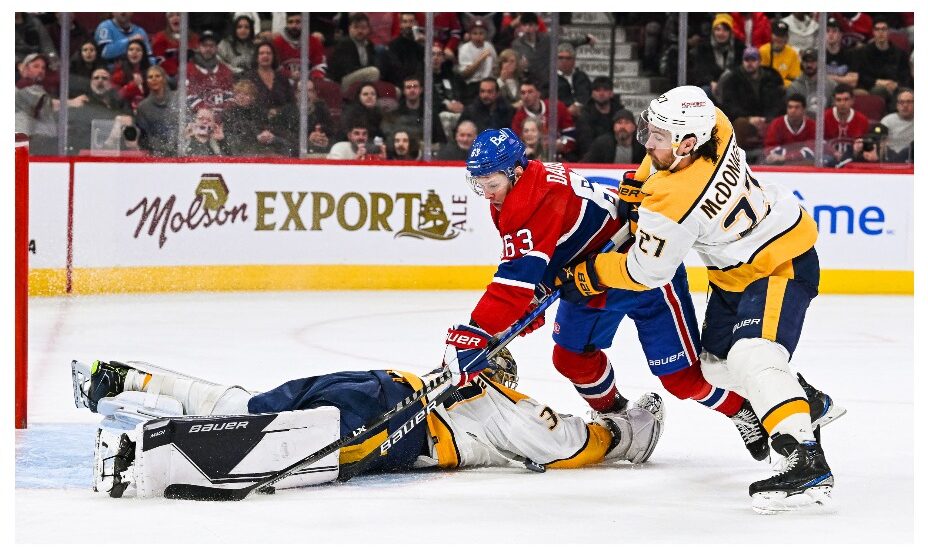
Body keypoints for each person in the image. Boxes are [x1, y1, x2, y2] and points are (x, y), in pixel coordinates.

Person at [556, 85, 840, 513]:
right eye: (650, 132)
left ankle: (805, 458)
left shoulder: (672, 201)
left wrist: (592, 272)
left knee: (752, 354)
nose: (648, 144)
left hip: (779, 261)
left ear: (687, 144)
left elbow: (646, 272)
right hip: (734, 273)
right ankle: (807, 400)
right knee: (714, 366)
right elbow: (662, 155)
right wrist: (640, 181)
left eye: (658, 137)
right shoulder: (717, 126)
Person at [453, 127, 797, 470]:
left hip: (643, 275)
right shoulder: (516, 193)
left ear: (516, 171)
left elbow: (513, 284)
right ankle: (618, 416)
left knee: (683, 380)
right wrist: (528, 302)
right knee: (571, 358)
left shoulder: (536, 199)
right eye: (479, 185)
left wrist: (476, 332)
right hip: (587, 280)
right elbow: (541, 259)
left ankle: (741, 409)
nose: (486, 194)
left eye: (492, 184)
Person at [73, 353, 666, 498]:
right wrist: (624, 433)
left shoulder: (470, 382)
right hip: (401, 422)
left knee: (253, 408)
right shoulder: (511, 409)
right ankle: (143, 457)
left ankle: (130, 379)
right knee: (286, 442)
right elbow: (568, 444)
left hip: (378, 383)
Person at [719, 46, 785, 161]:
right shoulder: (732, 79)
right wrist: (749, 118)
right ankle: (734, 160)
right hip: (744, 120)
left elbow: (778, 104)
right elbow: (729, 105)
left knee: (778, 123)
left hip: (767, 120)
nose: (750, 63)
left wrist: (766, 119)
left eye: (753, 60)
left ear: (759, 61)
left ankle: (775, 158)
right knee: (740, 124)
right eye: (747, 60)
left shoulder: (771, 78)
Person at [511, 81, 577, 161]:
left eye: (530, 92)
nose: (526, 96)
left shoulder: (557, 107)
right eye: (523, 93)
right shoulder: (518, 117)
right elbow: (515, 144)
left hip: (560, 156)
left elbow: (570, 137)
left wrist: (561, 144)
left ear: (538, 93)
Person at [855, 16, 911, 106]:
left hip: (896, 87)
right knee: (879, 90)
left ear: (888, 31)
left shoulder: (900, 53)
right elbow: (862, 77)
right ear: (873, 32)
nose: (880, 32)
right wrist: (879, 82)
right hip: (874, 87)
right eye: (877, 29)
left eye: (884, 29)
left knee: (907, 93)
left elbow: (906, 76)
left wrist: (896, 84)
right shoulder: (864, 52)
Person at [688, 13, 743, 101]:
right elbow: (700, 71)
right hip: (711, 85)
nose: (721, 33)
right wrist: (711, 82)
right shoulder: (703, 47)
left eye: (725, 30)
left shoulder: (739, 47)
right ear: (713, 31)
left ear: (730, 32)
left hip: (733, 85)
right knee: (704, 92)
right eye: (718, 29)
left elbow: (740, 70)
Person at [278, 79, 338, 156]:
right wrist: (307, 139)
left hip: (320, 151)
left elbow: (333, 133)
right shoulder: (286, 111)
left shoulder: (321, 109)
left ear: (315, 94)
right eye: (302, 91)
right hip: (295, 153)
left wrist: (326, 140)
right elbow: (282, 135)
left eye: (310, 91)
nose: (306, 94)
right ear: (296, 94)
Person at [382, 74, 447, 144]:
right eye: (408, 87)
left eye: (415, 87)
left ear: (421, 90)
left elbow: (440, 139)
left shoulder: (430, 113)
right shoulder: (395, 112)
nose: (412, 90)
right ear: (404, 91)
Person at [186, 30, 235, 114]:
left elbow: (231, 96)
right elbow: (188, 97)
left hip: (223, 116)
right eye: (205, 45)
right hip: (197, 117)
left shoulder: (225, 71)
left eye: (211, 45)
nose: (208, 48)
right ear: (198, 47)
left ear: (216, 48)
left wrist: (220, 112)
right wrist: (208, 113)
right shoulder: (188, 69)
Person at [329, 12, 381, 90]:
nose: (360, 31)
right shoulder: (344, 43)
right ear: (349, 28)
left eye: (363, 28)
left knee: (395, 90)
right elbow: (348, 69)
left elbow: (374, 63)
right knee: (373, 72)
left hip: (362, 77)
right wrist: (368, 68)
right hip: (342, 81)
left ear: (368, 30)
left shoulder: (369, 44)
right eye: (356, 27)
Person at [136, 65, 179, 157]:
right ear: (147, 82)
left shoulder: (178, 98)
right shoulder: (143, 107)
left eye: (157, 76)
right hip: (156, 153)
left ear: (164, 79)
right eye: (150, 77)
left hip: (179, 150)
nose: (154, 79)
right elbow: (145, 136)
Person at [270, 12, 327, 82]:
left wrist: (313, 77)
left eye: (298, 22)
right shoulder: (277, 42)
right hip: (283, 82)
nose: (294, 25)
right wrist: (289, 74)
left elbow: (320, 64)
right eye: (290, 22)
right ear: (286, 24)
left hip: (309, 83)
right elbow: (274, 65)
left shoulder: (314, 41)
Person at [763, 93, 816, 165]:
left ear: (804, 109)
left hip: (804, 164)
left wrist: (787, 157)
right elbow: (770, 147)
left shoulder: (812, 125)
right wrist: (793, 156)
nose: (793, 110)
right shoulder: (776, 124)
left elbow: (812, 149)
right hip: (780, 164)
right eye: (790, 107)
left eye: (797, 107)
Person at [824, 84, 870, 164]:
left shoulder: (862, 120)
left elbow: (865, 147)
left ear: (852, 100)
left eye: (846, 99)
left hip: (853, 160)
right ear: (834, 101)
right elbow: (819, 144)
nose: (842, 103)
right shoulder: (824, 117)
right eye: (838, 100)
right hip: (828, 160)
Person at [456, 18, 496, 104]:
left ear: (486, 34)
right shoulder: (464, 48)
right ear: (470, 35)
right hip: (473, 85)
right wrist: (480, 59)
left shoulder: (489, 46)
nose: (478, 36)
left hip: (490, 82)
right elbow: (465, 74)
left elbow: (495, 67)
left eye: (481, 33)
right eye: (475, 33)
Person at [786, 48, 835, 118]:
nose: (809, 65)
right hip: (803, 123)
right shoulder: (794, 87)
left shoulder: (831, 85)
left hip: (826, 122)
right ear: (802, 63)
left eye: (813, 61)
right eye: (806, 61)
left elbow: (835, 111)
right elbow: (793, 113)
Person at [150, 12, 199, 78]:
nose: (175, 18)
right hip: (169, 76)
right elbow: (158, 60)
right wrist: (175, 71)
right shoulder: (160, 37)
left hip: (192, 75)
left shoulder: (194, 38)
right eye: (171, 16)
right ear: (167, 20)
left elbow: (198, 58)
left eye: (178, 15)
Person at [110, 39, 151, 112]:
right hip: (124, 110)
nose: (134, 52)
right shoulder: (119, 71)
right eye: (131, 49)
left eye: (138, 50)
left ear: (143, 54)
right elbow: (115, 97)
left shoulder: (150, 71)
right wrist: (132, 86)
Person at [580, 76, 625, 142]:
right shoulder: (585, 114)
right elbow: (585, 141)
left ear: (611, 94)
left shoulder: (620, 113)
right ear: (592, 94)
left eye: (605, 90)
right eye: (597, 90)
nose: (601, 94)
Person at [759, 20, 800, 87]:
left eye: (782, 36)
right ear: (771, 35)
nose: (779, 39)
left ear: (787, 38)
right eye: (777, 35)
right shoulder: (763, 51)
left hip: (785, 88)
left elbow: (795, 77)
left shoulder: (792, 53)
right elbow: (760, 76)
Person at [555, 43, 591, 118]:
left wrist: (578, 105)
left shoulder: (581, 76)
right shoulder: (550, 78)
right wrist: (566, 110)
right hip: (560, 116)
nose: (564, 61)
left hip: (582, 114)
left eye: (568, 58)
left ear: (574, 60)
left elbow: (587, 94)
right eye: (560, 58)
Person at [824, 17, 860, 89]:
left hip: (845, 91)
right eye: (827, 31)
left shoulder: (851, 54)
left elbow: (853, 83)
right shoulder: (819, 55)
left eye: (834, 31)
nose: (830, 34)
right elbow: (815, 79)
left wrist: (828, 77)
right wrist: (844, 79)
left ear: (840, 35)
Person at [880, 88, 913, 162]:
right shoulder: (887, 121)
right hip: (891, 159)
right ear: (897, 105)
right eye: (901, 102)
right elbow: (881, 145)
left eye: (909, 102)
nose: (905, 105)